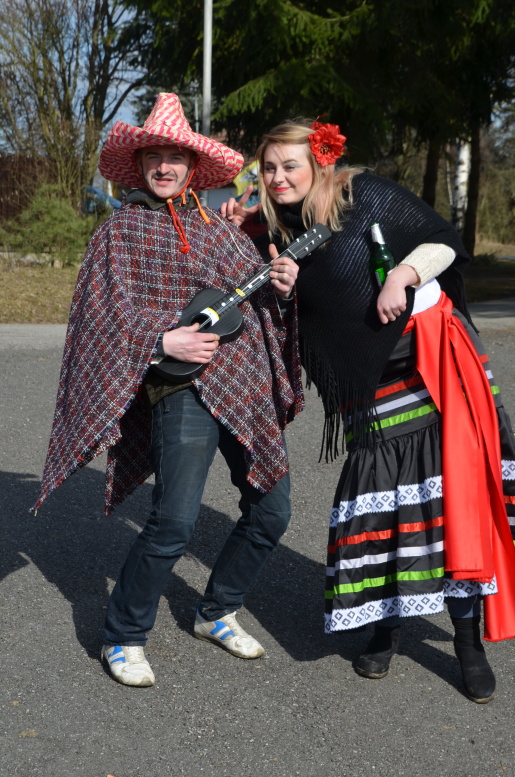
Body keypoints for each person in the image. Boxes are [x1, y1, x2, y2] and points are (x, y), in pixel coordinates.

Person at [222, 118, 515, 703]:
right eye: (269, 167)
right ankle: (386, 626)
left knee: (452, 502)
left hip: (433, 365)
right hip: (369, 383)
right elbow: (291, 316)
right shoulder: (275, 231)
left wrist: (402, 275)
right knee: (386, 503)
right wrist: (284, 289)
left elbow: (440, 240)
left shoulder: (365, 194)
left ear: (319, 164)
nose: (278, 177)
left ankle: (468, 643)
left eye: (290, 165)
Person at [33, 93, 304, 687]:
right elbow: (101, 320)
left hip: (243, 385)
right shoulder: (118, 233)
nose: (164, 166)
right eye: (153, 156)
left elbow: (257, 308)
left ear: (192, 166)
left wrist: (283, 292)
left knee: (272, 510)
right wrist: (163, 340)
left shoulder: (221, 231)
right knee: (175, 522)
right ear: (138, 164)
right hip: (177, 390)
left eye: (174, 157)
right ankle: (123, 635)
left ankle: (216, 610)